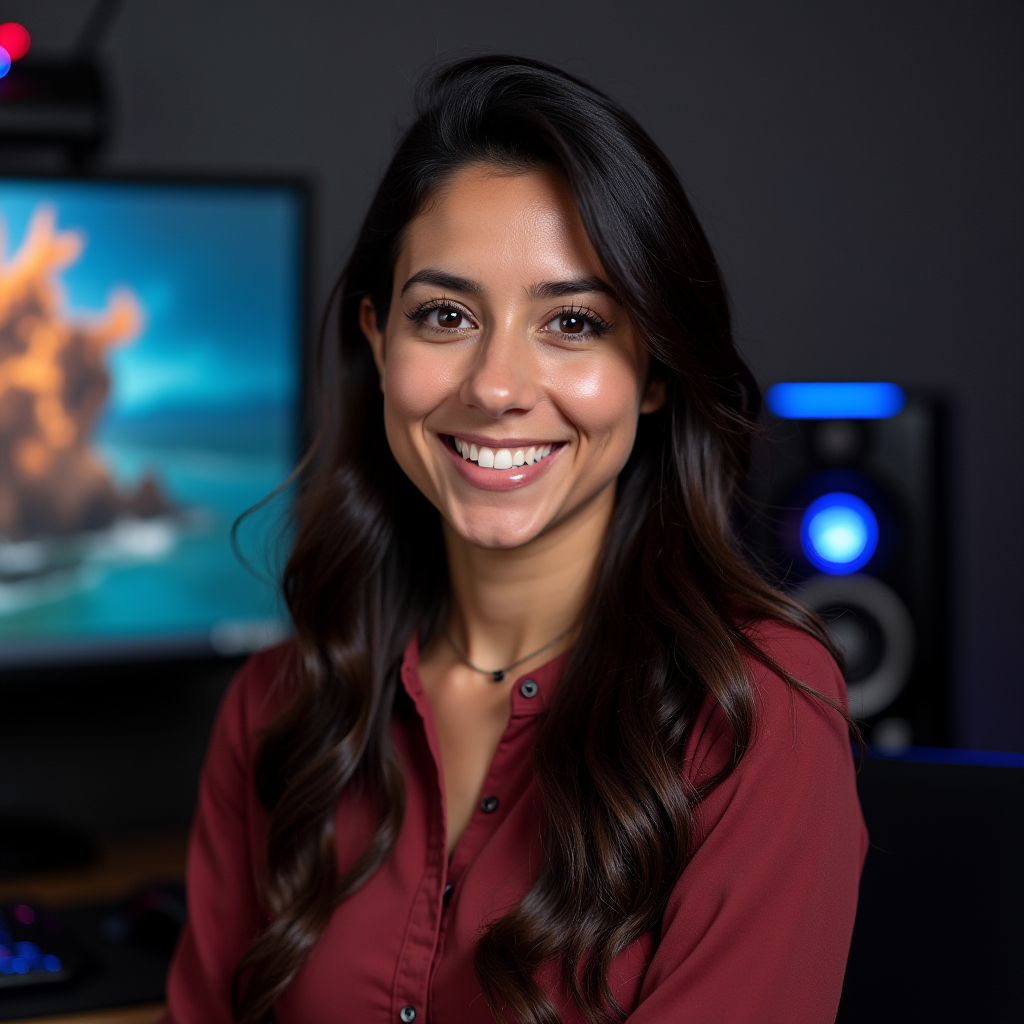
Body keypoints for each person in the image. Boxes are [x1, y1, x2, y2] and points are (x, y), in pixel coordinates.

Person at [164, 55, 867, 1024]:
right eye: (445, 315)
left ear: (651, 370)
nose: (496, 386)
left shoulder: (754, 714)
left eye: (572, 321)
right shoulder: (277, 706)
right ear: (378, 340)